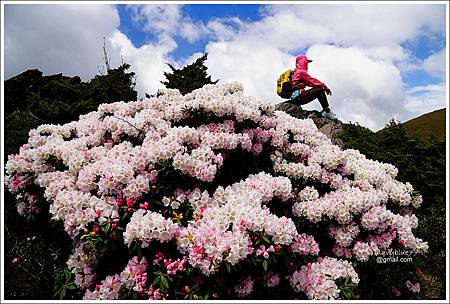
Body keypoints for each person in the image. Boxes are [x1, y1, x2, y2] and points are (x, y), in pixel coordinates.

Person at [289, 54, 337, 120]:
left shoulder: (295, 72)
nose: (307, 65)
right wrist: (325, 86)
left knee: (318, 89)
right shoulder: (301, 72)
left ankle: (326, 111)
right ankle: (327, 111)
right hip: (298, 97)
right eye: (306, 62)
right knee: (319, 90)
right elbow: (312, 81)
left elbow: (310, 82)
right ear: (302, 62)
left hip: (295, 97)